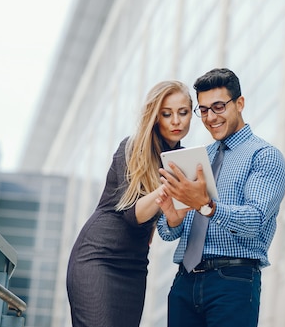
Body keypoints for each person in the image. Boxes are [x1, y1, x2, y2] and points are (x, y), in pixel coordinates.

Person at [156, 68, 285, 327]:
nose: (210, 117)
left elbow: (255, 220)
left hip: (233, 280)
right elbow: (168, 233)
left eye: (218, 107)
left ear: (239, 103)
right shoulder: (196, 158)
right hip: (185, 281)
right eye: (203, 110)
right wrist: (172, 219)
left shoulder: (264, 156)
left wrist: (206, 206)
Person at [66, 80, 193, 327]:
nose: (176, 121)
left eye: (183, 112)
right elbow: (132, 215)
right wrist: (169, 186)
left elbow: (172, 221)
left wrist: (177, 213)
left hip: (135, 266)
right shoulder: (134, 147)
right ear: (155, 117)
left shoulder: (182, 159)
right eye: (167, 114)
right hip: (98, 257)